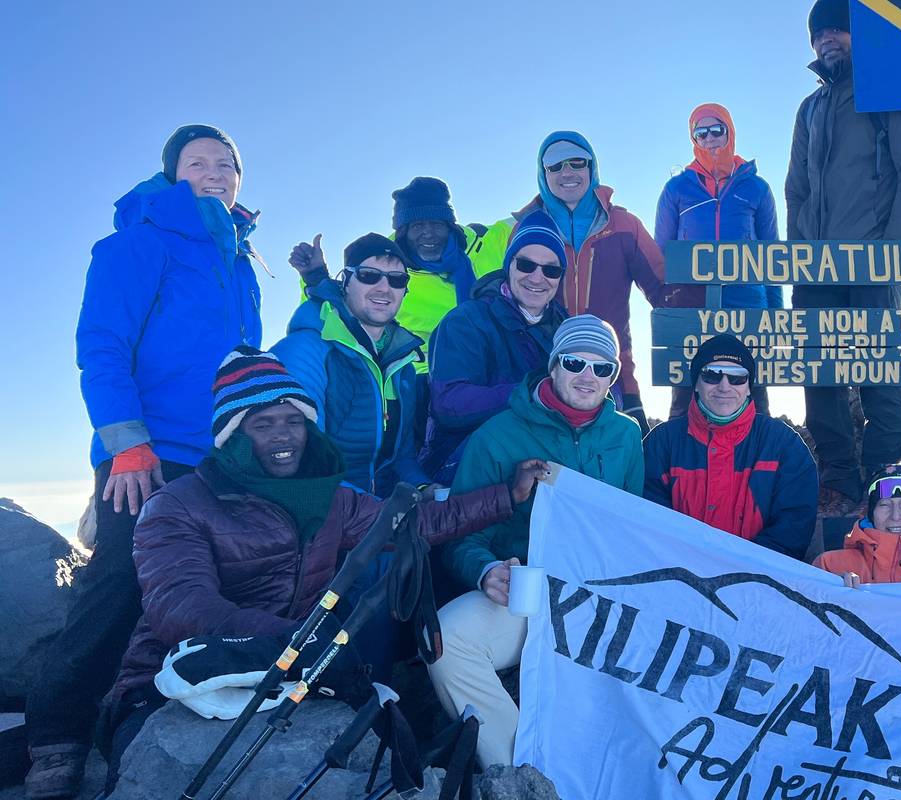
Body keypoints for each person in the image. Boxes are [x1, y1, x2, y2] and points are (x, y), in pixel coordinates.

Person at [95, 347, 529, 793]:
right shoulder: (177, 505)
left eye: (294, 421)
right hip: (168, 683)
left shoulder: (330, 499)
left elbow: (411, 525)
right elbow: (182, 608)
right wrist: (299, 644)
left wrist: (506, 496)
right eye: (263, 425)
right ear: (232, 435)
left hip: (290, 673)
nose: (284, 437)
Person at [28, 124, 263, 799]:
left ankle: (137, 713)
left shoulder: (238, 258)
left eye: (227, 164)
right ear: (173, 175)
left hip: (218, 459)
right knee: (119, 588)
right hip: (148, 455)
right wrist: (128, 443)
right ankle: (57, 735)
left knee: (190, 591)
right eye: (199, 163)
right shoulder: (139, 243)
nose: (215, 173)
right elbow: (102, 344)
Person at [429, 315, 644, 767]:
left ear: (613, 378)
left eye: (602, 368)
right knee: (446, 639)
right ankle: (523, 772)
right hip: (527, 592)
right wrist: (486, 572)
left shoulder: (626, 435)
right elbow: (459, 533)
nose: (588, 376)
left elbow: (633, 525)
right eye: (574, 362)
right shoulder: (497, 435)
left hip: (600, 598)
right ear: (553, 366)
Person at [787, 0, 901, 511]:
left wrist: (892, 257)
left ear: (861, 36)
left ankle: (884, 473)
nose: (827, 39)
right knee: (820, 371)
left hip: (875, 257)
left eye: (838, 30)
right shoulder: (809, 109)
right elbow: (797, 190)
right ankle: (838, 476)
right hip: (817, 263)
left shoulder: (895, 90)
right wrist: (799, 254)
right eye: (819, 34)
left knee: (879, 369)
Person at [504, 131, 671, 431]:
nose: (567, 172)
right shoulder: (526, 230)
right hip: (540, 375)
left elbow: (666, 293)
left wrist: (713, 297)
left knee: (630, 468)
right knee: (542, 471)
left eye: (576, 163)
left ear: (591, 168)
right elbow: (508, 300)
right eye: (555, 166)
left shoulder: (624, 226)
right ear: (543, 174)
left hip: (613, 377)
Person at [272, 234, 428, 496]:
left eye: (397, 279)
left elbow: (402, 460)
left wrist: (424, 488)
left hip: (367, 514)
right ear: (345, 282)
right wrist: (375, 512)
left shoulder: (403, 366)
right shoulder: (305, 351)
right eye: (369, 275)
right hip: (313, 513)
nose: (383, 287)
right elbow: (303, 462)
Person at [422, 211, 572, 480]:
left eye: (551, 269)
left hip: (543, 459)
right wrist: (534, 394)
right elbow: (448, 404)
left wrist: (603, 395)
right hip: (465, 462)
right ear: (509, 265)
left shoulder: (566, 329)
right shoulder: (467, 321)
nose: (537, 278)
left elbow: (599, 378)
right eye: (526, 265)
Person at [655, 103, 781, 418]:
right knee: (685, 394)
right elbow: (660, 256)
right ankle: (676, 461)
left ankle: (761, 460)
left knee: (752, 390)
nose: (709, 138)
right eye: (701, 132)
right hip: (692, 308)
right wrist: (667, 308)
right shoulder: (676, 189)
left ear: (729, 132)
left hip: (748, 308)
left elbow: (773, 257)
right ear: (693, 137)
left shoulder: (756, 187)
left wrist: (777, 316)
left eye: (716, 130)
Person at [643, 334, 816, 559]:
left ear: (749, 387)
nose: (724, 386)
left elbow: (794, 526)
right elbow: (649, 521)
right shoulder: (662, 443)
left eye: (737, 377)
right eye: (712, 375)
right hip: (679, 582)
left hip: (758, 583)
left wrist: (740, 570)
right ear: (696, 383)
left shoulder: (784, 445)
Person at [287, 176, 512, 348]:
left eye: (436, 223)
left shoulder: (488, 243)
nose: (428, 234)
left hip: (502, 351)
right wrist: (314, 276)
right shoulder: (387, 275)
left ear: (450, 226)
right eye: (417, 226)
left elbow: (540, 209)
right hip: (424, 373)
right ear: (403, 232)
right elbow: (336, 314)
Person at [813, 462, 901, 584]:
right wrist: (828, 589)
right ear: (870, 516)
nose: (895, 516)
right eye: (884, 505)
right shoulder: (830, 566)